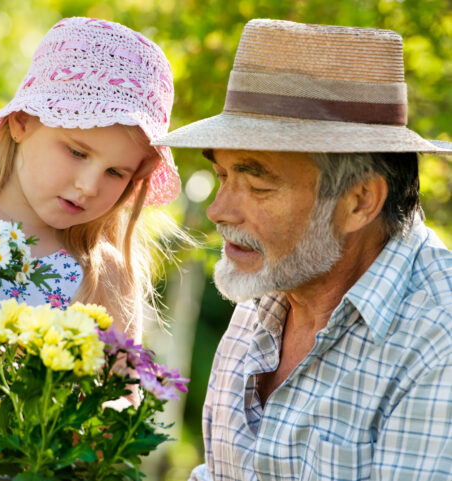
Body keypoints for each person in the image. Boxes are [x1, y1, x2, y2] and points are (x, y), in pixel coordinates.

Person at [155, 19, 452, 480]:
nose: (218, 211)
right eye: (223, 176)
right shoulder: (270, 289)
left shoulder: (438, 343)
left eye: (256, 185)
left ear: (359, 202)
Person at [0, 17, 180, 480]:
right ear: (22, 121)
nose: (87, 186)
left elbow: (123, 400)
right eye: (77, 152)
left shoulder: (100, 273)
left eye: (116, 173)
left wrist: (94, 420)